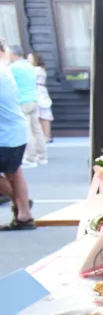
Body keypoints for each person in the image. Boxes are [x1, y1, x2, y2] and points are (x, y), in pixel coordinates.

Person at [0, 40, 34, 230]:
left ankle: (22, 205)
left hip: (6, 134)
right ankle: (24, 215)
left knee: (13, 173)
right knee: (14, 172)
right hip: (14, 131)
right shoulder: (5, 68)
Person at [7, 45, 45, 166]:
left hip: (22, 101)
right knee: (37, 129)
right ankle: (42, 156)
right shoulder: (29, 66)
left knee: (26, 130)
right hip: (33, 99)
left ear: (13, 54)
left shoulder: (13, 68)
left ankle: (30, 158)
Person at [28, 52, 53, 144]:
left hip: (39, 92)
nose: (28, 60)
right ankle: (44, 136)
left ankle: (47, 136)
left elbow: (30, 78)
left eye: (30, 58)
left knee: (44, 115)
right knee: (40, 115)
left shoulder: (37, 69)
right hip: (37, 92)